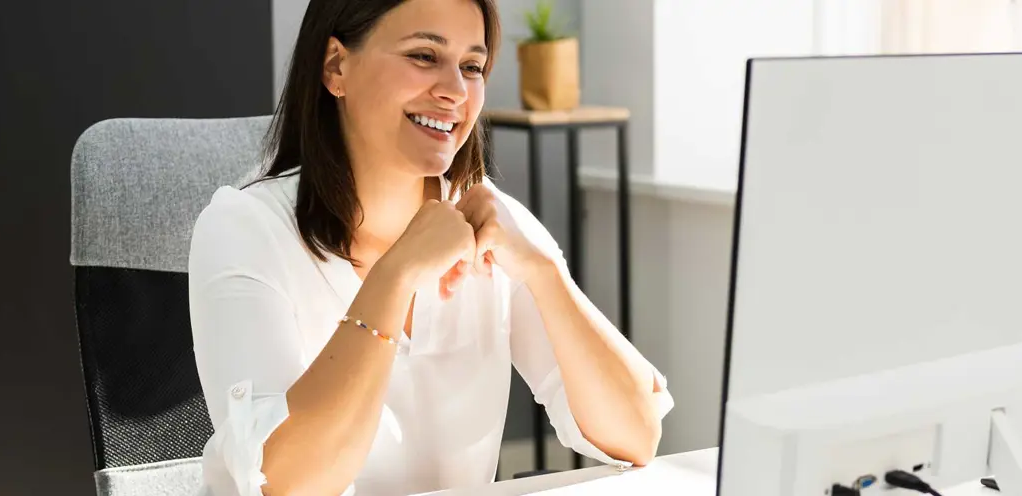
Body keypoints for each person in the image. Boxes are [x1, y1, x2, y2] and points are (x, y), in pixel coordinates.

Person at [186, 0, 671, 494]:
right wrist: (396, 276)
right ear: (336, 66)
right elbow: (285, 484)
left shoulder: (492, 223)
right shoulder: (242, 230)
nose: (455, 92)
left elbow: (636, 435)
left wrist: (547, 273)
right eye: (423, 56)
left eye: (472, 67)